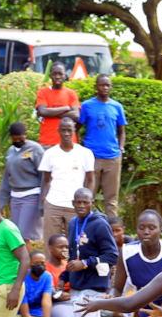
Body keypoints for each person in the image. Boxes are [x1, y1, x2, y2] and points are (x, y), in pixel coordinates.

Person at [53, 188, 128, 317]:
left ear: (92, 202)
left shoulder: (100, 224)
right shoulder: (73, 224)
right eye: (78, 202)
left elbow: (112, 255)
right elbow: (73, 257)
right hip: (77, 285)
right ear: (73, 203)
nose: (81, 206)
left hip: (93, 286)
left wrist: (85, 264)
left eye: (85, 202)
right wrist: (63, 279)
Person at [77, 74, 128, 218]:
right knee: (88, 196)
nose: (105, 88)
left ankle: (111, 232)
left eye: (107, 85)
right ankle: (86, 229)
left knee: (111, 198)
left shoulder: (117, 107)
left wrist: (121, 149)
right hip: (91, 158)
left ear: (111, 87)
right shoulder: (87, 105)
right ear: (96, 87)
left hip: (112, 158)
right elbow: (77, 127)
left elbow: (122, 132)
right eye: (102, 85)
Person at [38, 119, 96, 241]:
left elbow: (91, 180)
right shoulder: (50, 153)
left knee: (77, 244)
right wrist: (44, 200)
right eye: (63, 130)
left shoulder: (85, 153)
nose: (66, 133)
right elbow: (46, 180)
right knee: (51, 244)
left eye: (69, 130)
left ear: (74, 131)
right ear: (58, 131)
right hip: (53, 204)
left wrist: (86, 201)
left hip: (74, 206)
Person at [0, 122, 46, 241]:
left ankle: (29, 260)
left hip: (31, 196)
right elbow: (6, 179)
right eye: (15, 139)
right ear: (11, 137)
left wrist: (42, 203)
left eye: (21, 138)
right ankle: (21, 260)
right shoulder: (10, 151)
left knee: (23, 237)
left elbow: (44, 176)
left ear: (26, 134)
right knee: (16, 236)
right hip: (15, 197)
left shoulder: (35, 149)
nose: (18, 141)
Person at [35, 62, 81, 147]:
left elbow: (75, 115)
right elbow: (42, 111)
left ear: (65, 75)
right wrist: (66, 108)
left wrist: (51, 113)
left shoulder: (71, 93)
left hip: (68, 144)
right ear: (50, 76)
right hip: (47, 143)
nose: (57, 77)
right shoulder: (43, 92)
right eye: (54, 74)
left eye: (60, 74)